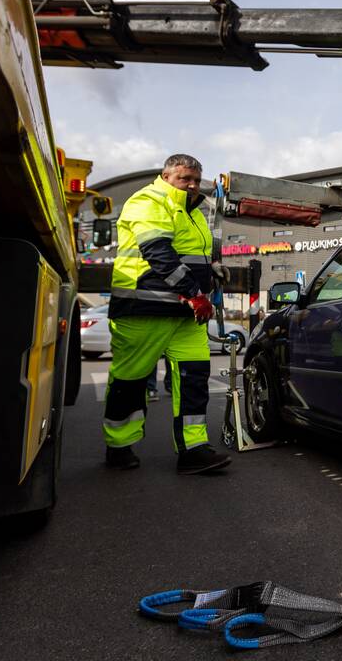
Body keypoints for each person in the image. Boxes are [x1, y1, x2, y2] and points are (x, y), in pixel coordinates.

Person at [102, 154, 231, 474]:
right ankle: (119, 446)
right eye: (183, 178)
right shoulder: (148, 200)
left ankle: (193, 449)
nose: (190, 185)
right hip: (144, 309)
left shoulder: (196, 214)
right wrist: (193, 293)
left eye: (195, 180)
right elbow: (158, 252)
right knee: (130, 381)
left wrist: (212, 270)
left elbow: (191, 255)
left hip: (186, 315)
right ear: (166, 175)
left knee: (195, 379)